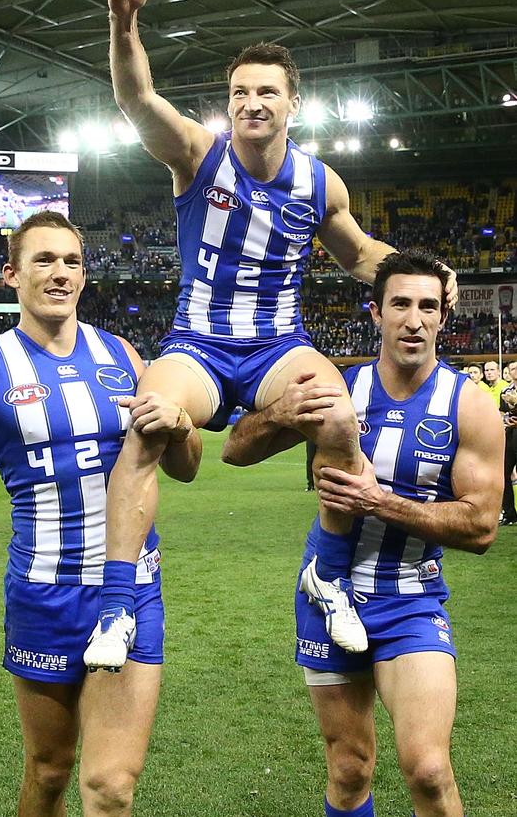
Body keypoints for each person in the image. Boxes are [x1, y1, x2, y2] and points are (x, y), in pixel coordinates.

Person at [84, 0, 458, 670]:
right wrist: (123, 22)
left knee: (342, 414)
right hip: (197, 341)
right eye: (239, 93)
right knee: (142, 424)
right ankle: (116, 608)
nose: (252, 103)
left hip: (276, 346)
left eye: (266, 92)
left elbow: (361, 256)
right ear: (228, 105)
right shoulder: (199, 154)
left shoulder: (320, 183)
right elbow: (136, 98)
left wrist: (431, 272)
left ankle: (329, 572)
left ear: (293, 103)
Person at [0, 211, 202, 817]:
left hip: (128, 591)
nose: (60, 273)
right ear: (11, 275)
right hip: (43, 594)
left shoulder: (124, 355)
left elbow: (186, 466)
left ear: (84, 277)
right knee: (50, 770)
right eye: (44, 261)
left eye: (72, 261)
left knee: (110, 787)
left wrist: (181, 425)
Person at [222, 251, 502, 817]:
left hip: (411, 598)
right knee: (350, 769)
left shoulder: (468, 406)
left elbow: (480, 525)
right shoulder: (340, 391)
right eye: (400, 304)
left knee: (428, 769)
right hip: (328, 592)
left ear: (444, 317)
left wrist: (380, 502)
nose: (414, 320)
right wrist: (280, 413)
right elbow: (234, 449)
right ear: (376, 313)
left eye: (428, 306)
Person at [499, 359, 517, 525]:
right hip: (510, 433)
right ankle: (509, 514)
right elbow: (502, 412)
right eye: (513, 368)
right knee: (503, 473)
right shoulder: (506, 390)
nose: (515, 370)